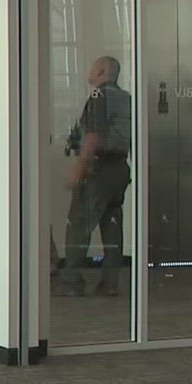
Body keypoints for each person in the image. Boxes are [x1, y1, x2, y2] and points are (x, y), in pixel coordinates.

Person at [59, 56, 133, 298]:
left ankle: (72, 281)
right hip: (119, 169)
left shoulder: (99, 97)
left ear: (101, 70)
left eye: (92, 66)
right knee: (112, 225)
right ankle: (110, 282)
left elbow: (93, 137)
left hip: (97, 170)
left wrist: (78, 168)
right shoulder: (126, 98)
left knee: (79, 224)